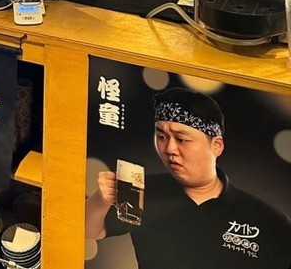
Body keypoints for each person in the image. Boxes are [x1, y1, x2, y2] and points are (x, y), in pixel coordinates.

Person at [86, 87, 291, 269]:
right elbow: (88, 231)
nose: (169, 149)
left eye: (182, 139)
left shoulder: (268, 220)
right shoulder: (143, 190)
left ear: (216, 146)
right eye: (161, 137)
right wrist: (100, 200)